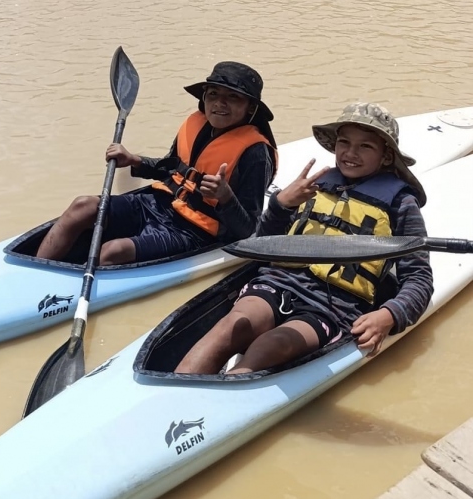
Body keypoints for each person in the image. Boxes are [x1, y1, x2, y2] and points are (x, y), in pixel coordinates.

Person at [176, 103, 433, 375]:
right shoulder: (312, 186)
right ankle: (176, 386)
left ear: (385, 157)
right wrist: (280, 205)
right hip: (277, 285)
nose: (350, 153)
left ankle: (229, 388)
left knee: (272, 345)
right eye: (343, 142)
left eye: (365, 146)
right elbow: (262, 245)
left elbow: (419, 278)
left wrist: (389, 315)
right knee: (233, 326)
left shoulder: (401, 205)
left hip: (333, 306)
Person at [36, 62, 278, 265]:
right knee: (82, 206)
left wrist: (225, 197)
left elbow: (248, 230)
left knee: (112, 252)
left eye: (232, 97)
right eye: (213, 94)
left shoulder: (255, 153)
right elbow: (173, 168)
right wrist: (135, 160)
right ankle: (34, 273)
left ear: (250, 109)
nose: (219, 104)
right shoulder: (198, 124)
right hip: (157, 204)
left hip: (193, 230)